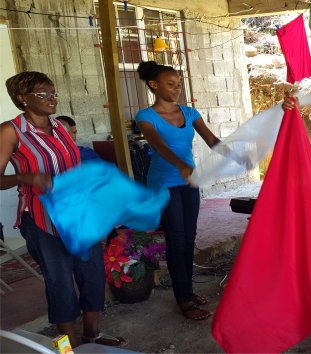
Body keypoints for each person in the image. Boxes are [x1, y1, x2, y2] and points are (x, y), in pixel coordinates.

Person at [0, 71, 126, 347]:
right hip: (41, 217)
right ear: (22, 98)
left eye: (53, 92)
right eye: (42, 94)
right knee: (59, 281)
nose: (52, 99)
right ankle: (67, 344)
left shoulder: (59, 127)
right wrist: (26, 177)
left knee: (92, 273)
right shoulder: (10, 131)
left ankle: (93, 334)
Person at [134, 61, 220, 321]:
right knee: (176, 239)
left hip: (188, 182)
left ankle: (187, 291)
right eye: (170, 84)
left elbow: (211, 139)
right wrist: (181, 165)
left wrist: (232, 152)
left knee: (189, 238)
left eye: (178, 84)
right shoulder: (145, 117)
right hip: (164, 184)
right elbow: (158, 145)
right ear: (154, 85)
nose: (176, 89)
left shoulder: (190, 113)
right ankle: (183, 300)